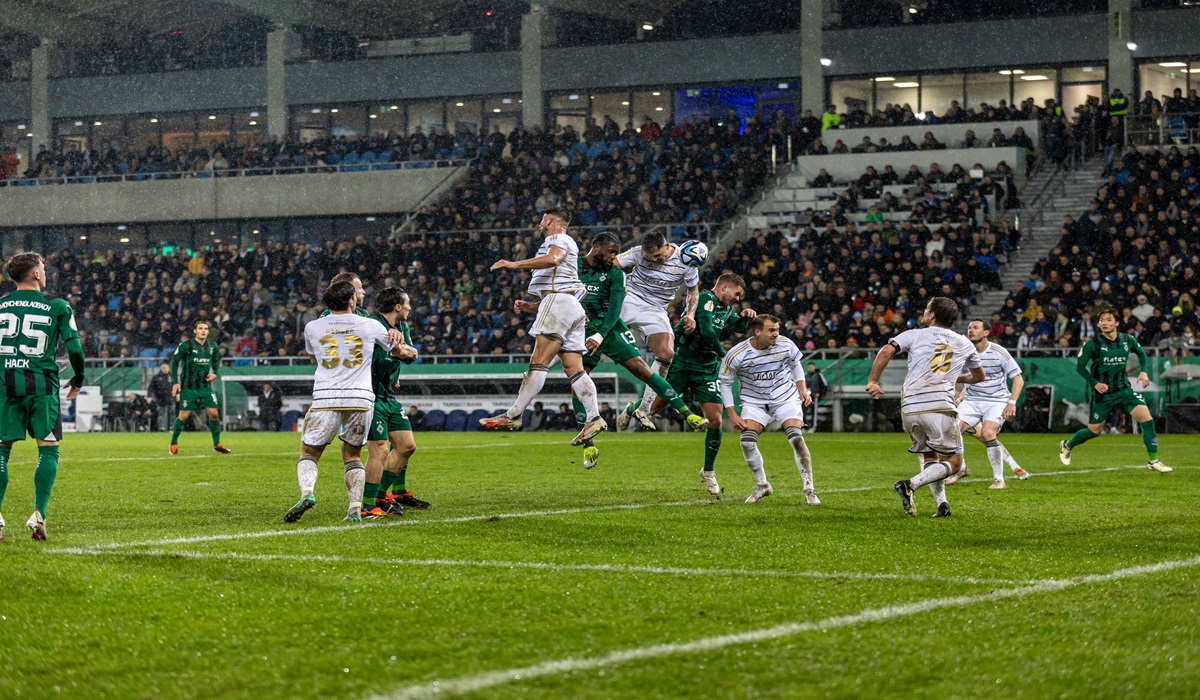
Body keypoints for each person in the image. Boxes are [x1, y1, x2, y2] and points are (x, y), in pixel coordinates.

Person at [517, 231, 705, 469]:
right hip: (584, 326)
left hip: (614, 324)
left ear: (667, 246)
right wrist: (535, 306)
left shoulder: (626, 273)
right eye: (611, 253)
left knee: (649, 364)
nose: (614, 258)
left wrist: (689, 313)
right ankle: (588, 445)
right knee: (573, 381)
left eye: (616, 253)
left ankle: (682, 411)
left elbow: (615, 304)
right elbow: (559, 296)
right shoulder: (585, 266)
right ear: (597, 249)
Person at [283, 280, 412, 524]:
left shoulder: (312, 327)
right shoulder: (370, 324)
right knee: (352, 455)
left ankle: (308, 493)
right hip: (361, 397)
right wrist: (402, 343)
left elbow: (313, 357)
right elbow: (397, 350)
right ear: (352, 301)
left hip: (325, 396)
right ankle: (354, 509)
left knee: (309, 452)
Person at [479, 206, 607, 447]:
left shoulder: (558, 238)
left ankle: (514, 414)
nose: (540, 224)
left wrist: (514, 264)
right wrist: (534, 305)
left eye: (542, 220)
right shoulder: (568, 242)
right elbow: (561, 279)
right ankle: (594, 417)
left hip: (558, 302)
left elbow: (554, 259)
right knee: (574, 368)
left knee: (538, 362)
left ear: (550, 221)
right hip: (571, 307)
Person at [624, 273, 755, 494]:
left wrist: (746, 317)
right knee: (653, 410)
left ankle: (708, 470)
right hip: (682, 363)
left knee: (715, 421)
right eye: (736, 294)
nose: (737, 298)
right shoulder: (704, 299)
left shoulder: (724, 309)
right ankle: (633, 408)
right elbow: (705, 331)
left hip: (706, 369)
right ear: (724, 287)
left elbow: (739, 327)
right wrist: (724, 355)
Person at [866, 297, 985, 518]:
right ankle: (909, 484)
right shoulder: (964, 343)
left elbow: (885, 351)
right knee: (955, 464)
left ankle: (942, 504)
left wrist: (873, 381)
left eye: (927, 308)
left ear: (931, 316)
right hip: (940, 406)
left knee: (930, 455)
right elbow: (979, 376)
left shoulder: (914, 334)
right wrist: (955, 377)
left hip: (910, 407)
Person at [0, 252, 85, 541]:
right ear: (35, 274)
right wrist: (78, 378)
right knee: (48, 449)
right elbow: (74, 349)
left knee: (1, 451)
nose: (45, 272)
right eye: (43, 268)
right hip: (42, 385)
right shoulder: (56, 306)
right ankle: (38, 515)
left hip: (5, 385)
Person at [1059, 307, 1171, 473]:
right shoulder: (1093, 344)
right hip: (1102, 394)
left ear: (1117, 323)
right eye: (1102, 320)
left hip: (1124, 390)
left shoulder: (1128, 340)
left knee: (1147, 420)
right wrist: (1095, 383)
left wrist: (1143, 371)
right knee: (1094, 431)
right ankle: (1067, 445)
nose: (1104, 323)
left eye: (1108, 320)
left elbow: (1141, 354)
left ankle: (1153, 461)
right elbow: (1080, 368)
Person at [719, 315, 816, 504]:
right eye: (771, 330)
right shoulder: (737, 354)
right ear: (757, 331)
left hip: (785, 397)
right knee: (747, 443)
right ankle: (763, 485)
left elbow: (795, 365)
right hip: (754, 402)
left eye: (777, 329)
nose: (776, 334)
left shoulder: (785, 344)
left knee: (796, 437)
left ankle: (809, 488)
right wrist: (732, 414)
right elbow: (725, 384)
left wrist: (802, 389)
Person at [614, 231, 700, 430]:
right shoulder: (637, 253)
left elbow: (693, 290)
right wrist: (620, 284)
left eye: (659, 256)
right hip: (630, 299)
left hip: (655, 309)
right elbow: (611, 266)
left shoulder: (685, 260)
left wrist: (690, 313)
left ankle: (643, 409)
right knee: (597, 336)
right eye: (652, 258)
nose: (656, 260)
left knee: (667, 354)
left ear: (667, 245)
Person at [363, 286, 429, 517]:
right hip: (370, 397)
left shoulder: (402, 326)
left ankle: (380, 494)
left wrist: (402, 351)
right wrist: (398, 351)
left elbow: (412, 354)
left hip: (389, 396)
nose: (410, 307)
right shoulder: (370, 325)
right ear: (398, 306)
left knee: (407, 446)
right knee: (379, 451)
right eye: (408, 303)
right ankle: (368, 503)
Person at [944, 319, 1030, 490]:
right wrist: (958, 394)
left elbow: (1018, 379)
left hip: (997, 401)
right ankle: (960, 469)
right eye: (969, 328)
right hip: (972, 400)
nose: (971, 331)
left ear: (986, 332)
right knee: (950, 431)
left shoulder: (999, 352)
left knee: (988, 432)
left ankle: (999, 479)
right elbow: (960, 377)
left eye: (975, 328)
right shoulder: (964, 352)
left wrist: (1012, 403)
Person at [169, 320, 230, 455]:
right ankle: (173, 442)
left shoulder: (212, 346)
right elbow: (174, 363)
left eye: (206, 329)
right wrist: (175, 382)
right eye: (201, 328)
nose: (204, 331)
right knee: (184, 416)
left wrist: (215, 373)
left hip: (205, 387)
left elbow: (215, 361)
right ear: (195, 331)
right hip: (188, 387)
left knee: (214, 414)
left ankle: (216, 444)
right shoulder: (186, 346)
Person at [147, 363, 174, 431]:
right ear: (161, 369)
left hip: (171, 398)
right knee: (161, 413)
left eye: (167, 368)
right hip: (160, 398)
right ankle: (162, 427)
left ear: (169, 369)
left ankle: (172, 426)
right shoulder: (156, 377)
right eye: (164, 368)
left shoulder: (172, 377)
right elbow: (151, 388)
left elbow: (176, 386)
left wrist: (178, 394)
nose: (165, 370)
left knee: (172, 413)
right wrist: (149, 396)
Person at [805, 362, 827, 432]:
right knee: (802, 411)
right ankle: (805, 427)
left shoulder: (818, 375)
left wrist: (820, 393)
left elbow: (825, 385)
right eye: (809, 367)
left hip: (815, 397)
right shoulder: (805, 375)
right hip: (806, 396)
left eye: (812, 367)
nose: (811, 368)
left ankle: (813, 427)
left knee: (814, 412)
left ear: (814, 367)